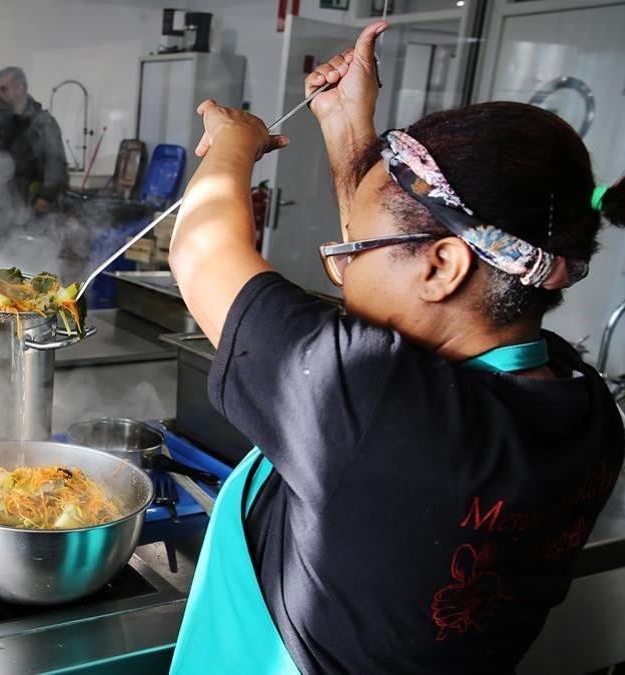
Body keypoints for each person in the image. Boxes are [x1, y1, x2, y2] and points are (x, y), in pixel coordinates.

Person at [166, 21, 625, 674]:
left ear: (443, 267)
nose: (344, 269)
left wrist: (233, 145)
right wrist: (348, 129)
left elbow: (200, 250)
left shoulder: (377, 409)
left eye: (353, 252)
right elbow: (393, 243)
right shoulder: (583, 411)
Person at [0, 66, 67, 214]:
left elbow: (54, 162)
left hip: (31, 202)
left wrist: (46, 196)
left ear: (19, 88)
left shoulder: (44, 122)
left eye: (3, 89)